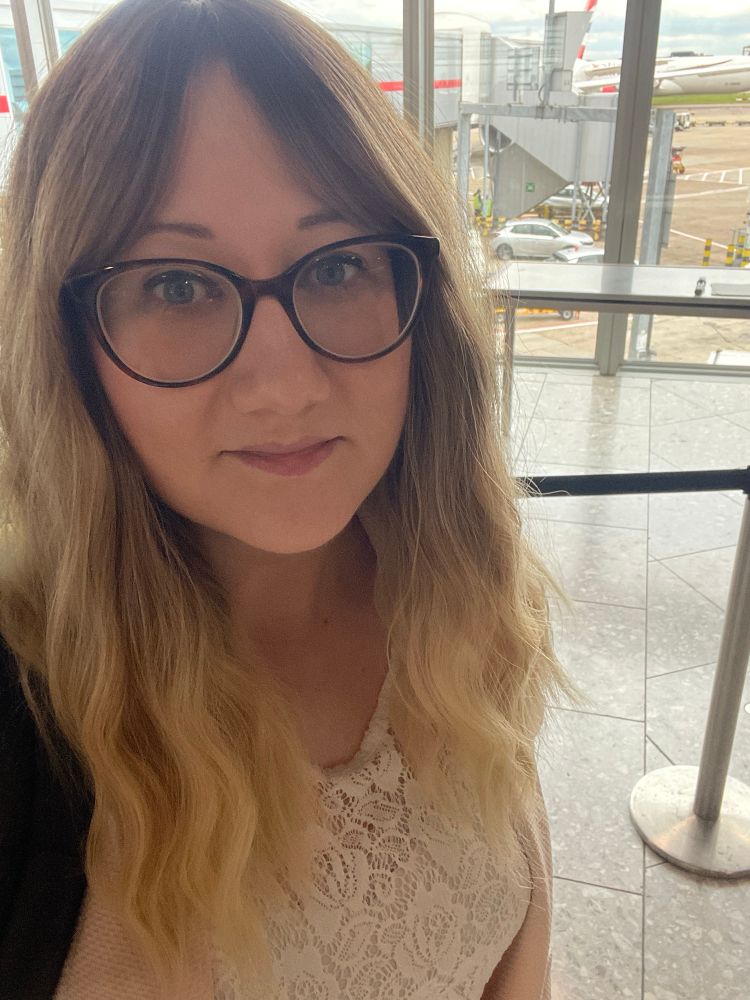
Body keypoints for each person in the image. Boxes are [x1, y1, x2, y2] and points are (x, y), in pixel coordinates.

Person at [0, 1, 574, 998]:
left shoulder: (455, 578)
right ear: (67, 347)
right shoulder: (31, 718)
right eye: (178, 286)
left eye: (341, 263)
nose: (285, 383)